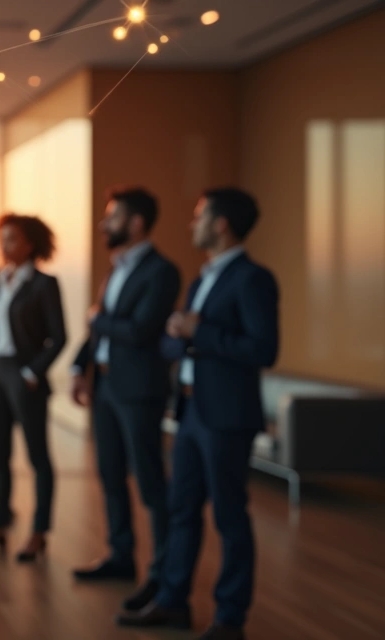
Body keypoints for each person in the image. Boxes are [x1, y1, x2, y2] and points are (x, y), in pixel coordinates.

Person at [118, 188, 279, 640]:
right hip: (190, 411)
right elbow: (176, 343)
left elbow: (264, 349)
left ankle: (229, 619)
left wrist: (198, 331)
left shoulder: (253, 279)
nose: (192, 224)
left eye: (199, 216)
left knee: (229, 517)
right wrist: (181, 334)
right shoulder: (201, 279)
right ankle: (172, 602)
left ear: (221, 224)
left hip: (226, 416)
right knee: (181, 509)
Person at [70, 188, 180, 612]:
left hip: (139, 391)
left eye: (113, 217)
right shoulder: (116, 268)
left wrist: (99, 319)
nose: (105, 224)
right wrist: (80, 366)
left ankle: (161, 574)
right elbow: (99, 328)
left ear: (136, 223)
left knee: (150, 484)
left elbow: (139, 331)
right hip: (105, 387)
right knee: (111, 475)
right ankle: (121, 557)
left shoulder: (162, 271)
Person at [0, 213, 66, 562]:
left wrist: (31, 372)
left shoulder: (44, 284)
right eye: (2, 238)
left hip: (22, 375)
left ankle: (39, 532)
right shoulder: (0, 280)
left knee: (38, 456)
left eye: (11, 239)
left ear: (30, 245)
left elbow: (59, 337)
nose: (4, 245)